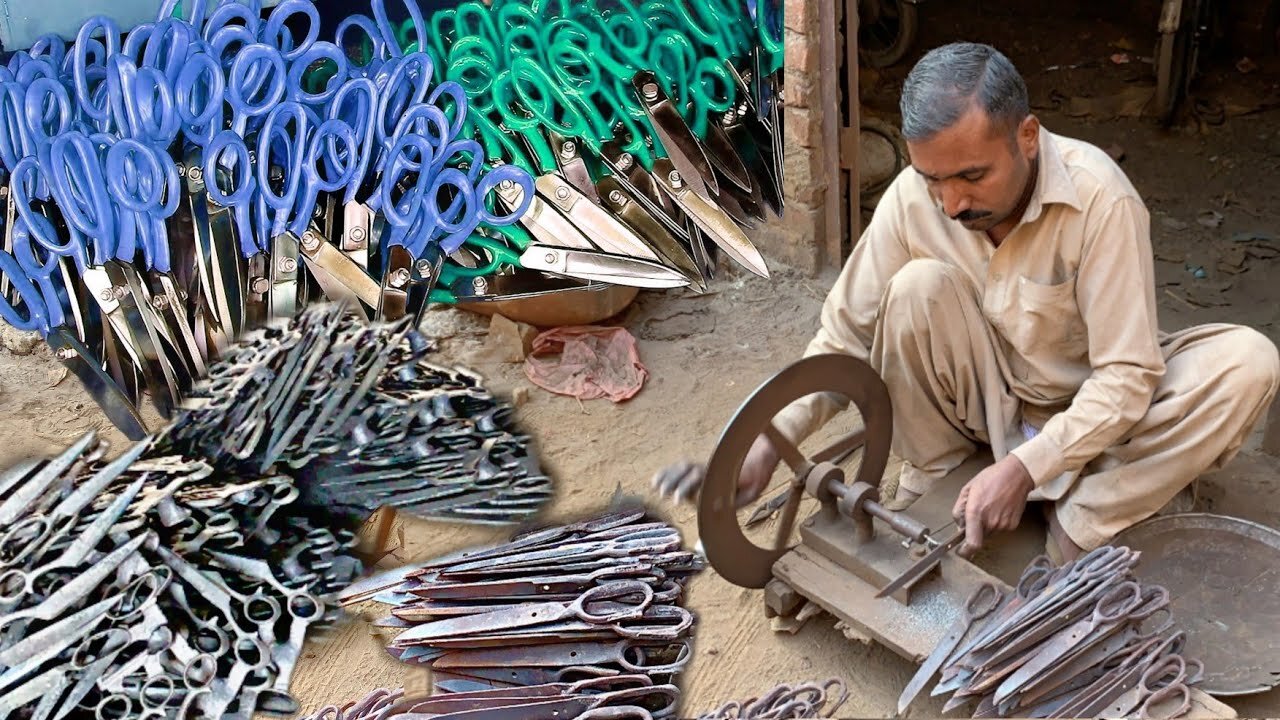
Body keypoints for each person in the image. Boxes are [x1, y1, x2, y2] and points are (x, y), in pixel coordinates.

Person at [651, 41, 1280, 565]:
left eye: (973, 177)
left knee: (1247, 363)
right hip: (981, 404)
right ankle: (939, 482)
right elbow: (844, 336)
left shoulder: (1100, 202)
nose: (951, 204)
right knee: (914, 290)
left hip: (1088, 413)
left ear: (1027, 137)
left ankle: (1075, 528)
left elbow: (1126, 376)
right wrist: (770, 439)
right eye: (934, 180)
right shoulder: (912, 200)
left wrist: (1028, 468)